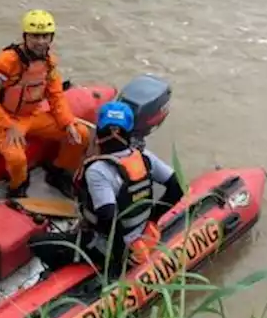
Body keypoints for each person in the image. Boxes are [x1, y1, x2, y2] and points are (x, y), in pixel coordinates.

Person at [28, 100, 183, 280]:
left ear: (99, 134)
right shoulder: (145, 157)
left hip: (108, 245)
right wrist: (152, 219)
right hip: (140, 233)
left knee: (36, 243)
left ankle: (55, 277)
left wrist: (119, 260)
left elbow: (108, 218)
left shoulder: (98, 171)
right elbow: (176, 188)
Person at [0, 9, 91, 199]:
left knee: (81, 133)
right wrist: (10, 125)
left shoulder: (49, 63)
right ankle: (18, 187)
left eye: (45, 36)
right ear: (25, 36)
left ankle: (58, 172)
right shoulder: (5, 62)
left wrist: (67, 123)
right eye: (35, 36)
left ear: (51, 38)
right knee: (16, 159)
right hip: (7, 119)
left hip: (33, 116)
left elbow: (56, 95)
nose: (40, 42)